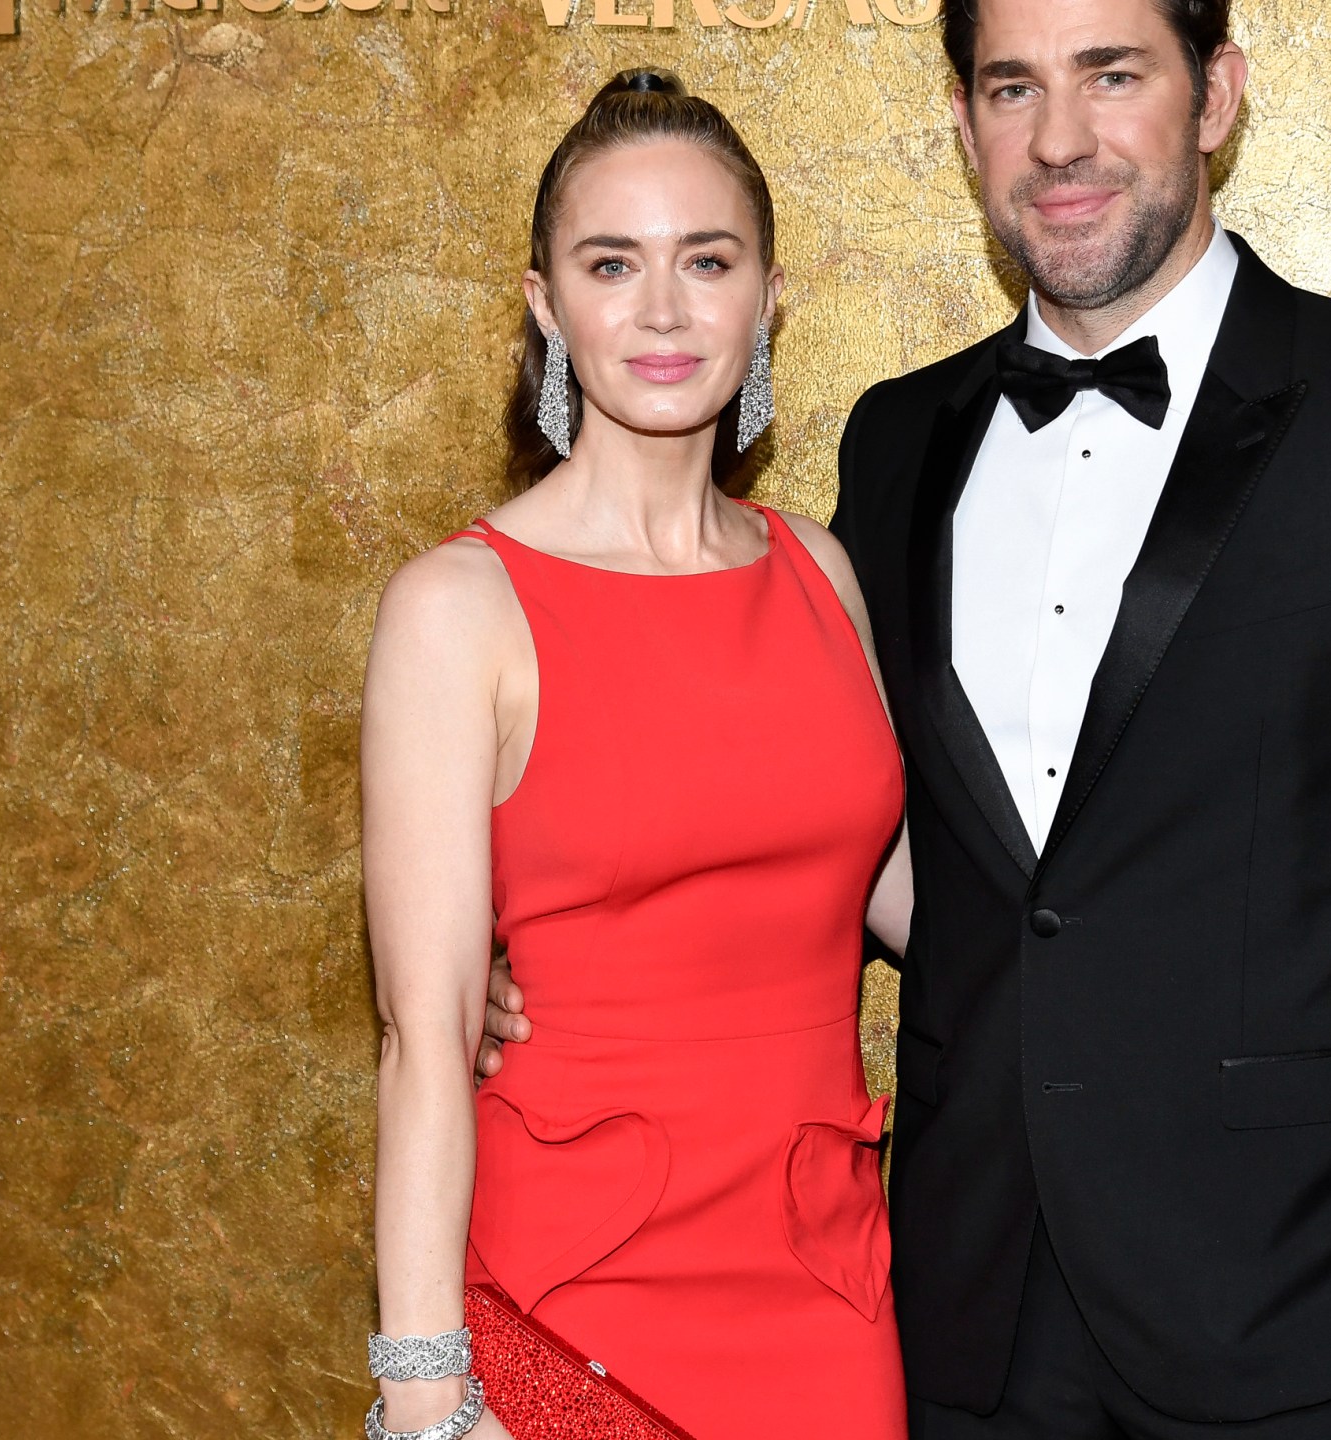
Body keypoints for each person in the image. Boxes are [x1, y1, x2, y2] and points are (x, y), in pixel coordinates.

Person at [484, 0, 1331, 1432]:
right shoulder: (898, 444)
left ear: (1215, 95)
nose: (1063, 138)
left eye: (1113, 74)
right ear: (966, 127)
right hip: (963, 1331)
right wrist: (525, 962)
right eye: (1014, 87)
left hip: (1319, 1334)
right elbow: (817, 821)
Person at [361, 70, 912, 1440]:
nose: (663, 312)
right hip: (572, 1304)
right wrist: (425, 1396)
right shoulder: (458, 610)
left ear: (769, 296)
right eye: (613, 265)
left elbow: (933, 906)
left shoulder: (819, 575)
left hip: (827, 1296)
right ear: (546, 303)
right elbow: (424, 1042)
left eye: (705, 262)